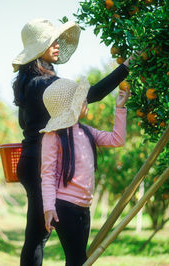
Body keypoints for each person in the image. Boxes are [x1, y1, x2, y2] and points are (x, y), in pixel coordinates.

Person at [12, 18, 133, 266]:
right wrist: (126, 68)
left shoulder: (27, 83)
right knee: (38, 237)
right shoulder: (45, 84)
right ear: (38, 48)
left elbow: (27, 126)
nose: (57, 45)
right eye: (51, 41)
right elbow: (92, 95)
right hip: (42, 163)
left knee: (35, 236)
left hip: (30, 159)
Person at [39, 77, 129, 265]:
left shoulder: (86, 131)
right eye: (81, 99)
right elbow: (47, 174)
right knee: (77, 260)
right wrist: (49, 208)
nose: (86, 101)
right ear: (71, 106)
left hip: (84, 208)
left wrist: (120, 107)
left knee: (77, 261)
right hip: (64, 207)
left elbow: (117, 140)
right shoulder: (53, 136)